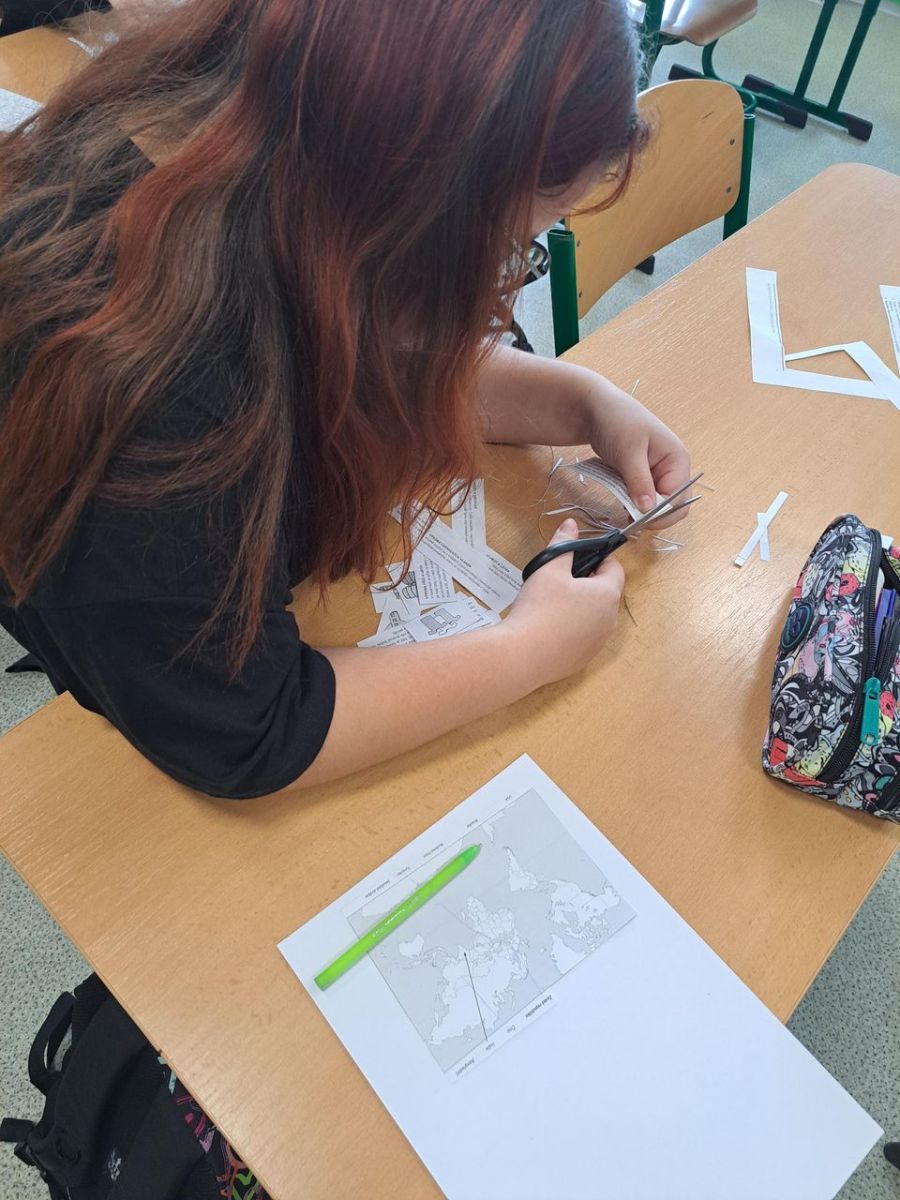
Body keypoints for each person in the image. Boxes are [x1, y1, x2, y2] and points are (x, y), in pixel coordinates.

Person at [0, 0, 691, 799]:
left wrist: (582, 401)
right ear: (400, 202)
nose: (498, 288)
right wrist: (529, 649)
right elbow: (246, 727)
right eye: (504, 247)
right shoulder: (157, 386)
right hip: (159, 658)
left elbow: (381, 355)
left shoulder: (272, 147)